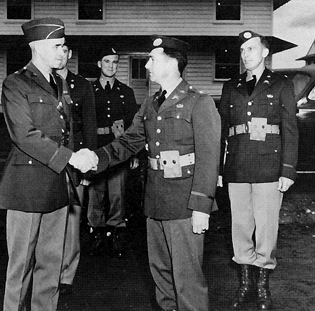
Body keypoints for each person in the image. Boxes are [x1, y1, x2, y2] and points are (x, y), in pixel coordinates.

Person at [88, 35, 220, 311]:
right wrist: (95, 158)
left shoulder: (200, 102)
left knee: (188, 280)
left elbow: (209, 158)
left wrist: (201, 207)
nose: (147, 66)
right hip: (155, 201)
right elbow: (128, 142)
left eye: (152, 59)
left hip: (185, 204)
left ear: (172, 63)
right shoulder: (149, 104)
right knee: (161, 276)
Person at [0, 17, 96, 311]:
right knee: (20, 266)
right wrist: (71, 158)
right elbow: (24, 135)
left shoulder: (59, 82)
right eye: (58, 45)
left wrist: (78, 163)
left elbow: (68, 130)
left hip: (58, 185)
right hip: (26, 188)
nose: (63, 51)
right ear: (37, 47)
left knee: (51, 264)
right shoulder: (15, 83)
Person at [218, 30, 298, 310]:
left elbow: (290, 129)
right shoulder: (231, 86)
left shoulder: (281, 84)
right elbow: (223, 131)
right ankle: (245, 283)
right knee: (239, 227)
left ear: (265, 52)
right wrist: (219, 168)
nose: (245, 54)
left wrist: (287, 170)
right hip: (237, 166)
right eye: (242, 50)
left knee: (266, 227)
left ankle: (263, 283)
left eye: (251, 49)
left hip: (269, 166)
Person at [87, 46, 139, 258]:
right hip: (96, 148)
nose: (111, 66)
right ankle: (95, 230)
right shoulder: (89, 91)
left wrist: (133, 153)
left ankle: (116, 229)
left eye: (115, 62)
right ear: (99, 64)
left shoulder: (126, 92)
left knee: (118, 191)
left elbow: (134, 127)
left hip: (119, 150)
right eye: (107, 61)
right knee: (95, 192)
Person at [55, 44, 97, 295]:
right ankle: (49, 270)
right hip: (49, 161)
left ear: (70, 55)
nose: (60, 56)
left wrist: (88, 170)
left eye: (65, 51)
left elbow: (90, 127)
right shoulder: (42, 82)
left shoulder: (82, 85)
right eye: (56, 50)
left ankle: (66, 276)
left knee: (72, 222)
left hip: (75, 163)